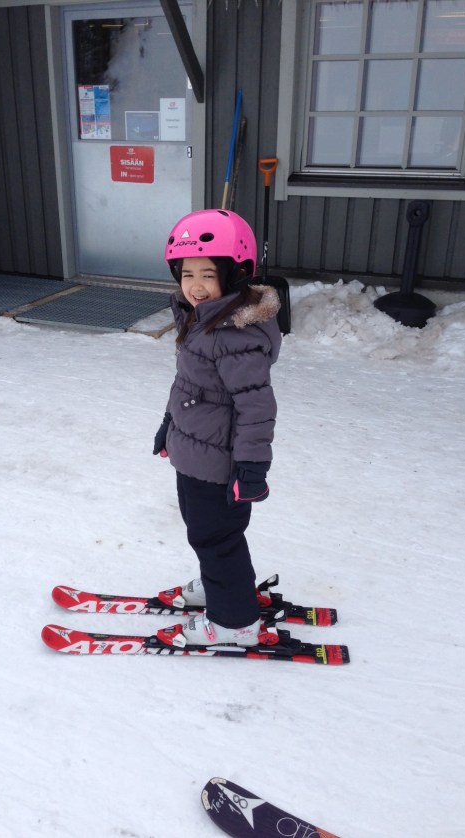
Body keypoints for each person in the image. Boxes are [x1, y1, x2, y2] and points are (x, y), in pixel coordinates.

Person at [152, 209, 282, 648]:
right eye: (187, 273)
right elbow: (189, 385)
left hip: (221, 463)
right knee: (205, 531)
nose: (195, 284)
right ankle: (221, 584)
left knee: (217, 537)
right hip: (194, 454)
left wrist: (251, 466)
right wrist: (169, 425)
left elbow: (256, 407)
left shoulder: (233, 334)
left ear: (235, 273)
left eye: (208, 274)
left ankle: (235, 623)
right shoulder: (203, 319)